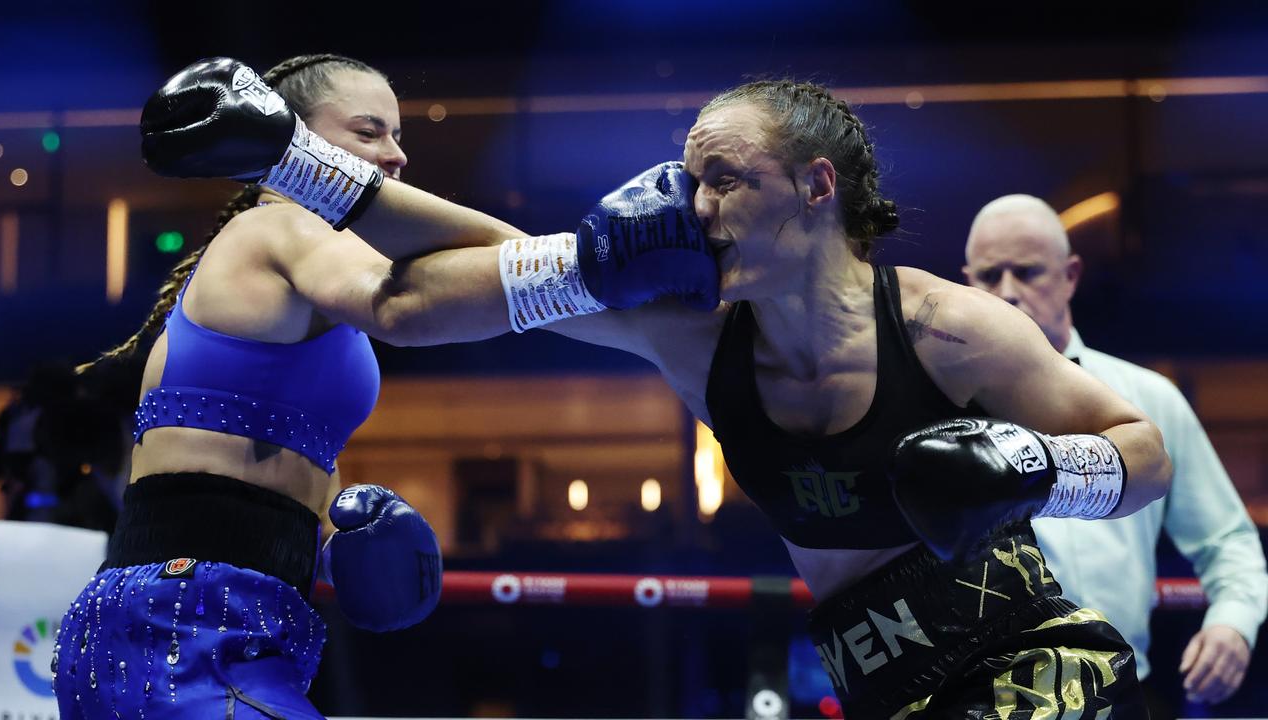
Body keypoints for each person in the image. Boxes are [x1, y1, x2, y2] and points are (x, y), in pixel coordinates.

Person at [146, 62, 1174, 718]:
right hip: (879, 692)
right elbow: (505, 259)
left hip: (1032, 672)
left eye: (725, 178)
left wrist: (1044, 468)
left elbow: (1142, 450)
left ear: (816, 188)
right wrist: (296, 160)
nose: (696, 206)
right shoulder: (697, 344)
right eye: (687, 180)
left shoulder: (948, 328)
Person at [51, 55, 487, 720]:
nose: (396, 156)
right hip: (181, 628)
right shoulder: (278, 227)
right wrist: (579, 269)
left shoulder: (309, 271)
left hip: (226, 623)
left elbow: (270, 466)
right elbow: (410, 307)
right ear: (293, 139)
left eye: (399, 136)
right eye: (370, 133)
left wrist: (338, 549)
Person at [963, 193, 1268, 714]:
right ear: (967, 282)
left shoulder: (1146, 399)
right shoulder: (937, 408)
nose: (1008, 293)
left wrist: (1232, 624)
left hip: (1122, 694)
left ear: (1071, 275)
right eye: (990, 276)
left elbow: (1228, 540)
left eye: (1028, 271)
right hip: (981, 701)